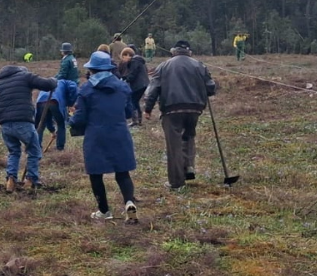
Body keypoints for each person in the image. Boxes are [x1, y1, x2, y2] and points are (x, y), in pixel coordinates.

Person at [69, 52, 139, 222]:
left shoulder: (86, 89)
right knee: (123, 172)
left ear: (91, 69)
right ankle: (129, 202)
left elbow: (80, 118)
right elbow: (129, 112)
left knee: (96, 174)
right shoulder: (122, 87)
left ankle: (104, 211)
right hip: (120, 133)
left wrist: (70, 119)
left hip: (96, 136)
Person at [142, 40, 217, 190]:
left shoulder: (163, 66)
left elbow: (153, 89)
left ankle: (176, 182)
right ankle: (188, 166)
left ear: (173, 51)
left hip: (172, 109)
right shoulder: (199, 65)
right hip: (195, 108)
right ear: (189, 51)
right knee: (188, 136)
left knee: (174, 144)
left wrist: (148, 109)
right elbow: (211, 87)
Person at [0, 65, 57, 190]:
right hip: (23, 123)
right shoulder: (25, 76)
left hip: (5, 125)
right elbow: (47, 85)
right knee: (34, 151)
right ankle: (31, 180)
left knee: (13, 152)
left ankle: (11, 180)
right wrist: (54, 80)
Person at [118, 47, 150, 127]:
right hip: (143, 84)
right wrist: (125, 77)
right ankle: (138, 120)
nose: (123, 59)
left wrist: (125, 80)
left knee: (132, 101)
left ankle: (135, 120)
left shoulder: (134, 61)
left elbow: (133, 74)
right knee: (135, 101)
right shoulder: (137, 60)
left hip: (139, 85)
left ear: (127, 55)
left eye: (123, 57)